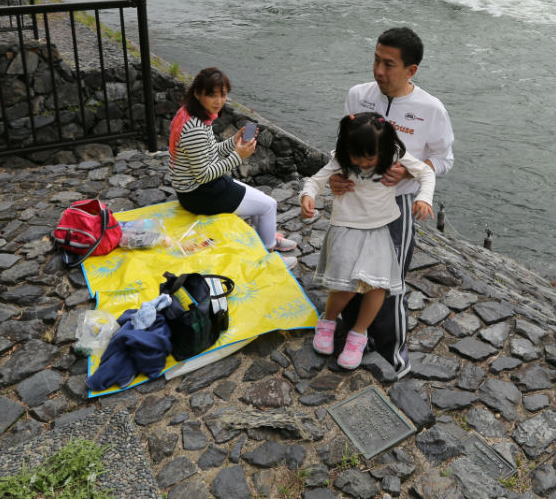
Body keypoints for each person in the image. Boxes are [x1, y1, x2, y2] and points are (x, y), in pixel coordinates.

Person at [328, 27, 454, 376]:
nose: (379, 71)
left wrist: (413, 173)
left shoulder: (431, 109)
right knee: (349, 276)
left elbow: (444, 160)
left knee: (387, 285)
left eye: (389, 64)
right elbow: (342, 147)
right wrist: (336, 176)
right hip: (353, 203)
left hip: (396, 209)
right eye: (375, 60)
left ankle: (393, 358)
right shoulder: (357, 95)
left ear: (411, 70)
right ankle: (354, 336)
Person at [302, 113, 434, 369]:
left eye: (369, 158)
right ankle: (328, 321)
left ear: (383, 150)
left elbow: (426, 173)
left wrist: (424, 197)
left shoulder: (393, 154)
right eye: (356, 157)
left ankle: (358, 334)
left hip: (379, 229)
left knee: (377, 287)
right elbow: (317, 179)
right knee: (348, 286)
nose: (362, 163)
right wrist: (307, 195)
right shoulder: (342, 157)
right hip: (346, 226)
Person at [167, 68, 298, 267]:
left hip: (198, 188)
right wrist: (238, 156)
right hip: (199, 193)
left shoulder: (192, 114)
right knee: (269, 205)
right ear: (197, 93)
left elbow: (209, 152)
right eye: (212, 95)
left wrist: (233, 140)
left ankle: (266, 238)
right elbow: (203, 175)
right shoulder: (195, 128)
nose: (219, 101)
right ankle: (269, 257)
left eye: (223, 94)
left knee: (258, 202)